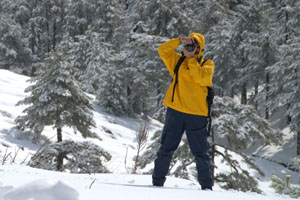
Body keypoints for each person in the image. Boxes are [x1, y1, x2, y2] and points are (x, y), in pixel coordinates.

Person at [152, 33, 215, 190]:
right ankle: (156, 184)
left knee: (200, 153)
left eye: (193, 46)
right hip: (176, 112)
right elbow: (162, 50)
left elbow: (200, 79)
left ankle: (207, 188)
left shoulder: (207, 64)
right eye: (188, 45)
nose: (189, 48)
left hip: (197, 115)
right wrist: (178, 41)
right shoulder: (178, 62)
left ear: (199, 48)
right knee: (166, 148)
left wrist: (192, 59)